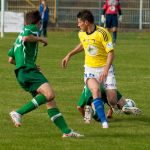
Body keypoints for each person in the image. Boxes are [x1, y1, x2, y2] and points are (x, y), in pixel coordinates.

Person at [8, 10, 83, 138]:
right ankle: (18, 112)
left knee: (50, 101)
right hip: (28, 71)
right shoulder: (32, 29)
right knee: (49, 94)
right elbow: (27, 37)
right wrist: (41, 39)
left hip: (22, 73)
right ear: (38, 23)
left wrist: (28, 62)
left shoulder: (18, 36)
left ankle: (66, 131)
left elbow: (11, 59)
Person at [62, 10, 119, 129]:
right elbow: (84, 44)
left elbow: (111, 53)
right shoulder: (81, 33)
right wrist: (69, 54)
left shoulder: (102, 33)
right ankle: (104, 122)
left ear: (86, 22)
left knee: (113, 100)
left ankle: (121, 104)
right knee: (95, 90)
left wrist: (105, 70)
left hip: (105, 67)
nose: (78, 25)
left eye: (79, 22)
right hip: (90, 69)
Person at [77, 85, 142, 123]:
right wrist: (109, 114)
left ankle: (93, 113)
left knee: (100, 118)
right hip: (107, 86)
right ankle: (124, 107)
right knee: (115, 101)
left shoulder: (87, 88)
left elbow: (79, 107)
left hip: (93, 92)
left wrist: (85, 117)